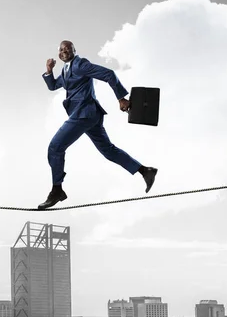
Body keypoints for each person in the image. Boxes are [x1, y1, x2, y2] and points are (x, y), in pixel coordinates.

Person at [39, 40, 157, 210]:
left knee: (55, 147)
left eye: (68, 48)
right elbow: (53, 86)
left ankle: (57, 190)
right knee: (108, 151)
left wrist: (121, 97)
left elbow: (108, 74)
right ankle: (145, 171)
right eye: (61, 50)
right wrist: (49, 71)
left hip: (83, 114)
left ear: (74, 50)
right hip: (89, 116)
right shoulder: (66, 70)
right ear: (58, 54)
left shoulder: (80, 65)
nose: (64, 51)